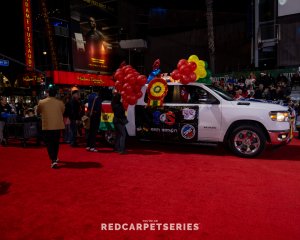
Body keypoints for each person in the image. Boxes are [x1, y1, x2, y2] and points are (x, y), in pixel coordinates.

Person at [37, 86, 65, 169]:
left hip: (47, 126)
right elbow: (62, 111)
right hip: (57, 126)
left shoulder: (42, 102)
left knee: (49, 144)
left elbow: (38, 111)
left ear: (47, 93)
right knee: (56, 143)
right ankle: (54, 158)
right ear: (55, 94)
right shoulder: (60, 102)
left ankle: (53, 159)